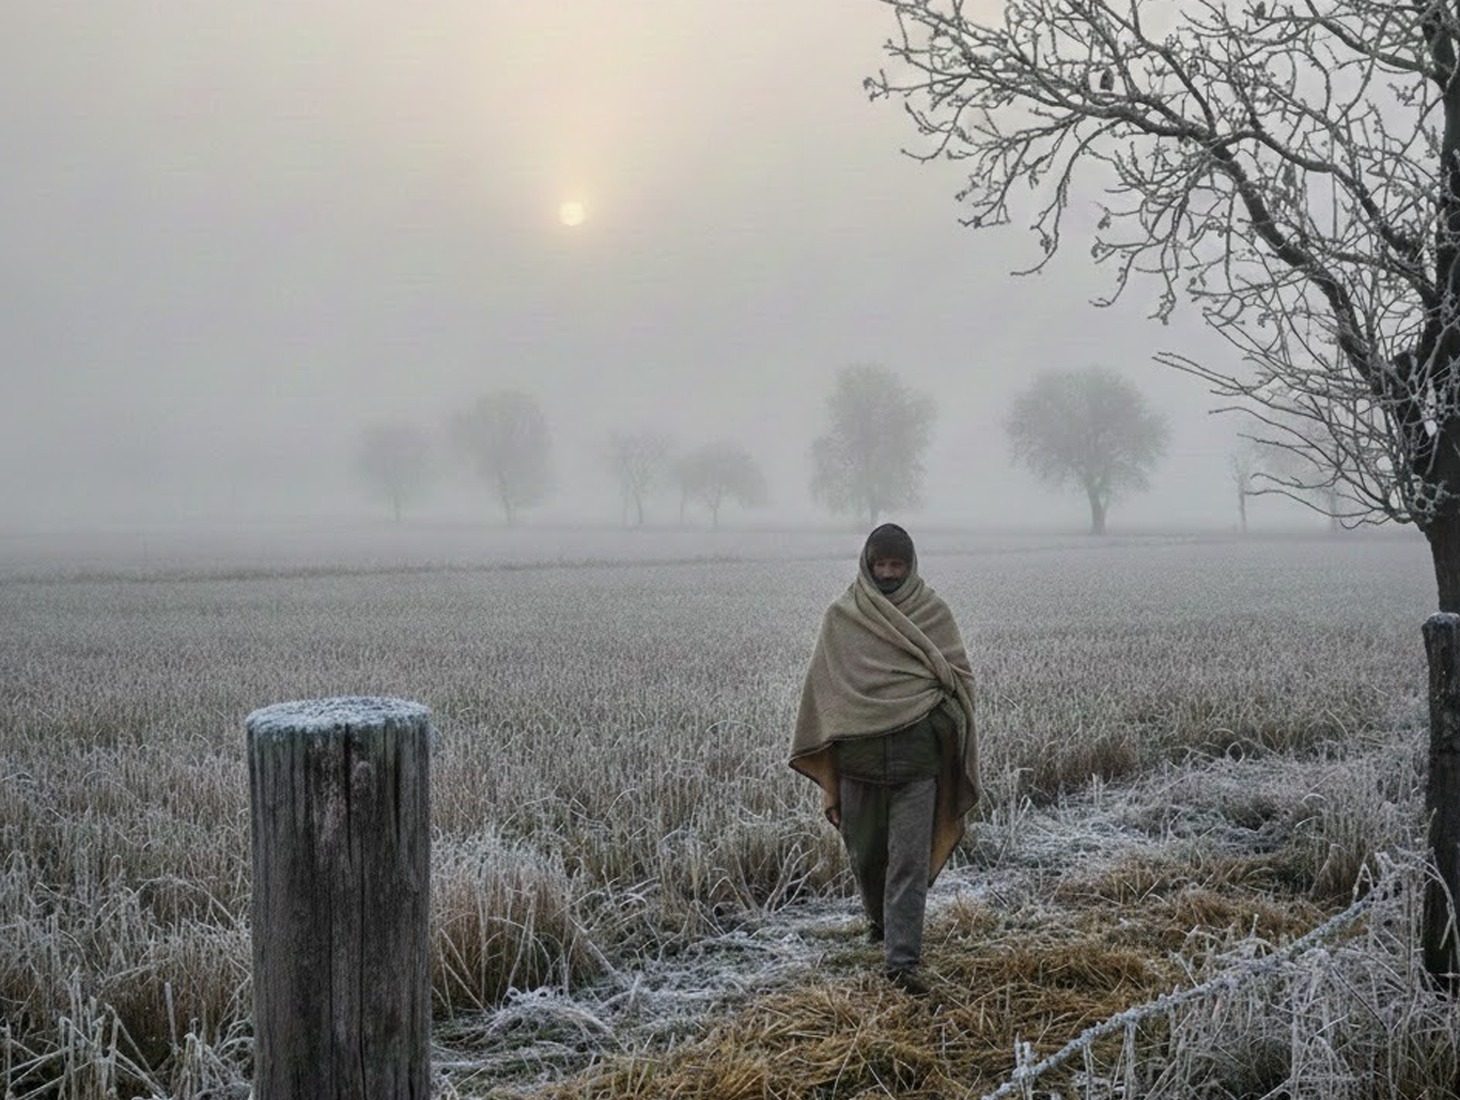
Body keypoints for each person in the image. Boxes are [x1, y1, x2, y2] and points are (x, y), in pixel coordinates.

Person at [789, 523, 979, 994]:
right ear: (868, 564)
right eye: (881, 564)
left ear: (911, 566)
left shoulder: (932, 613)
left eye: (898, 564)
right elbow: (826, 699)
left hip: (919, 766)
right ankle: (879, 921)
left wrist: (934, 721)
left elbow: (959, 681)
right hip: (859, 767)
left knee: (908, 864)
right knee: (868, 857)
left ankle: (901, 962)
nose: (889, 573)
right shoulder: (842, 617)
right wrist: (831, 783)